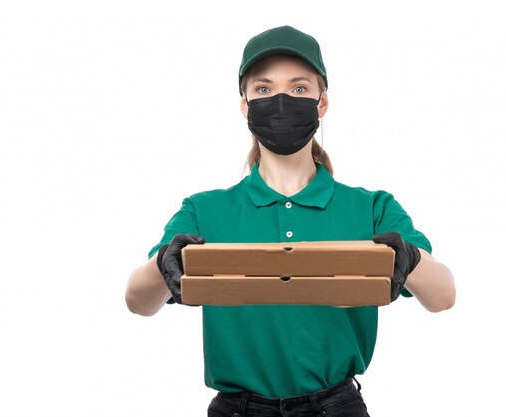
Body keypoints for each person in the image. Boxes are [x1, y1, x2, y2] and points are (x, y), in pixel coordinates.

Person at [126, 25, 456, 417]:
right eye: (264, 89)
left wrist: (411, 259)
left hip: (337, 407)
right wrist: (164, 261)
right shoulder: (203, 210)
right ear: (245, 105)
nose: (281, 100)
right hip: (237, 409)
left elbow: (443, 297)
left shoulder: (371, 208)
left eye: (299, 88)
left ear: (322, 103)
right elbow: (139, 303)